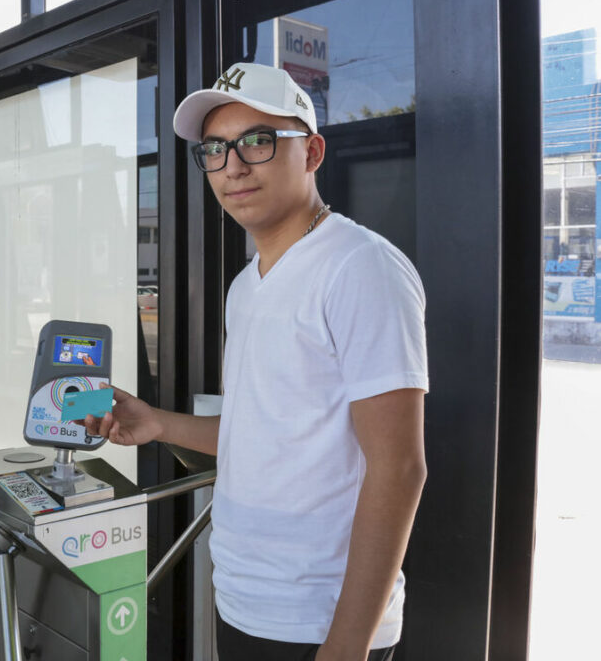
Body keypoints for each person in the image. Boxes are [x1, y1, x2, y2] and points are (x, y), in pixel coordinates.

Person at [83, 63, 428, 661]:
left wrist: (347, 647)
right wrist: (158, 424)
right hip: (244, 597)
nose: (232, 166)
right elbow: (264, 434)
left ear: (312, 152)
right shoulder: (246, 286)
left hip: (320, 621)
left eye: (258, 141)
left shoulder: (359, 267)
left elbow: (399, 469)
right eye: (215, 149)